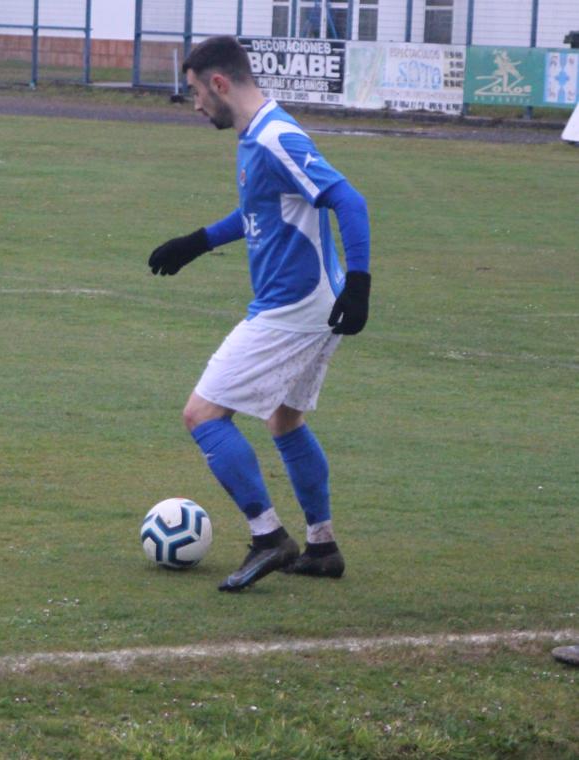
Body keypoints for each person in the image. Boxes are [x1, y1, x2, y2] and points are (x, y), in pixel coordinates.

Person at [148, 36, 371, 592]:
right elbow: (258, 211)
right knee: (284, 420)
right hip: (313, 303)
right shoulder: (256, 134)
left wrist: (361, 282)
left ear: (219, 83)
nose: (195, 104)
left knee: (202, 415)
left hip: (293, 307)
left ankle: (268, 536)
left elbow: (349, 200)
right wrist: (197, 242)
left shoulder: (275, 137)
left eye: (196, 92)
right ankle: (321, 546)